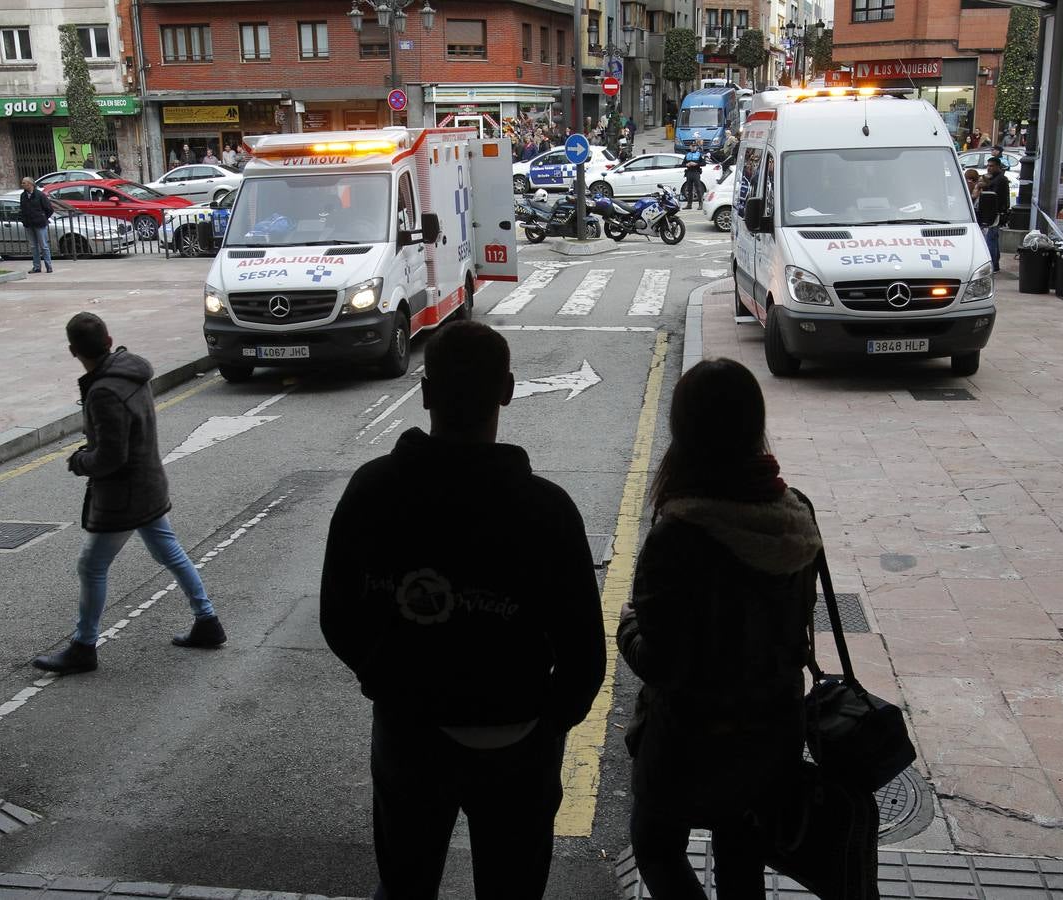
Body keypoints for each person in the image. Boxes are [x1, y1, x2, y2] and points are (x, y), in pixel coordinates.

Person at [321, 321, 604, 900]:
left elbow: (339, 615)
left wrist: (385, 678)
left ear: (426, 393)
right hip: (518, 739)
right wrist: (545, 725)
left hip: (409, 731)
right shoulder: (547, 510)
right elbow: (584, 654)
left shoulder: (374, 490)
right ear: (508, 391)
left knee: (405, 882)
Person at [618, 358, 879, 900]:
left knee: (656, 845)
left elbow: (661, 662)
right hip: (771, 734)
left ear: (683, 432)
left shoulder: (679, 533)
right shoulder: (795, 514)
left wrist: (628, 624)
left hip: (689, 740)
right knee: (742, 862)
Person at [33, 313, 226, 675]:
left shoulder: (104, 392)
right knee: (169, 551)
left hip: (124, 497)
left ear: (73, 350)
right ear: (109, 341)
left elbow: (110, 457)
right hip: (149, 482)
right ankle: (207, 621)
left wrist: (80, 461)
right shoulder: (131, 372)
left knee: (92, 566)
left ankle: (84, 646)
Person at [979, 156, 1010, 272]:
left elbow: (994, 195)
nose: (989, 168)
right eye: (988, 166)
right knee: (993, 238)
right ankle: (995, 263)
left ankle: (993, 264)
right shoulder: (996, 179)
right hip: (993, 212)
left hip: (995, 213)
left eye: (991, 166)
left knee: (991, 238)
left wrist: (986, 185)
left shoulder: (1000, 180)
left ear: (998, 166)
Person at [18, 177, 55, 274]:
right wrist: (23, 219)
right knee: (33, 246)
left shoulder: (40, 195)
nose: (22, 185)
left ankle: (48, 266)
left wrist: (43, 217)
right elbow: (22, 209)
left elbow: (49, 209)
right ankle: (36, 267)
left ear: (30, 184)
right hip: (29, 224)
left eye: (24, 183)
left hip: (39, 223)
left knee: (44, 245)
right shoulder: (23, 195)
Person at [683, 138, 707, 210]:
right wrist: (687, 164)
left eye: (695, 146)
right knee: (689, 189)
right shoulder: (687, 154)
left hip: (696, 172)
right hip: (689, 173)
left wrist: (696, 164)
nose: (693, 147)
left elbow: (704, 163)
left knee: (698, 189)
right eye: (692, 146)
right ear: (690, 147)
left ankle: (700, 204)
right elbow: (682, 163)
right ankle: (689, 204)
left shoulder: (699, 154)